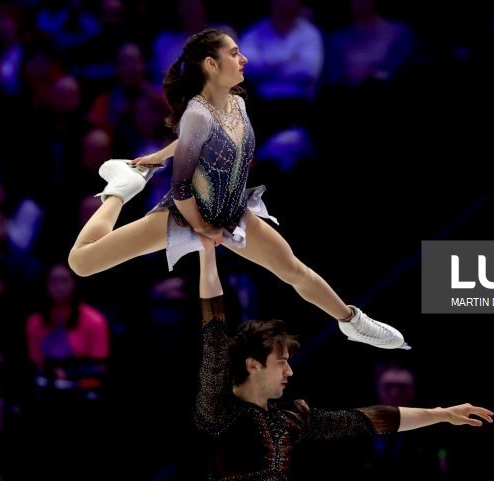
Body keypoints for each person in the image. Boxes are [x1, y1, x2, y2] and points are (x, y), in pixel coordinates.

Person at [68, 28, 407, 349]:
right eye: (234, 53)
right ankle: (120, 191)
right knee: (82, 262)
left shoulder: (237, 103)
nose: (243, 58)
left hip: (233, 211)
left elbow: (195, 140)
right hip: (187, 216)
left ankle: (353, 322)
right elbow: (182, 186)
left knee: (294, 270)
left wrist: (158, 155)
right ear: (211, 65)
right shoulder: (196, 114)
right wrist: (203, 229)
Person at [193, 236, 493, 480]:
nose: (290, 372)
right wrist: (206, 251)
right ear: (253, 364)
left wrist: (441, 413)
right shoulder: (217, 408)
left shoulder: (290, 420)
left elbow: (372, 419)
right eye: (282, 362)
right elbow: (213, 326)